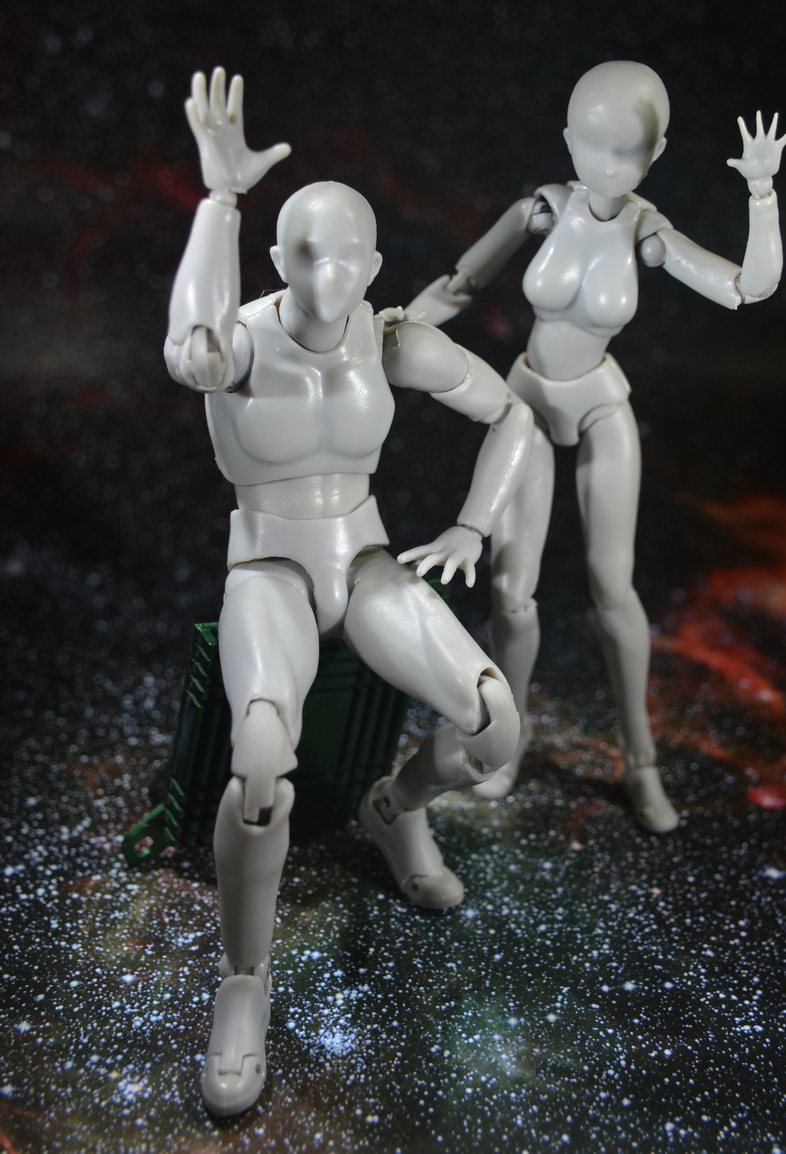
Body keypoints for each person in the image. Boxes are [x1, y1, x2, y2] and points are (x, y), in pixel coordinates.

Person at [164, 68, 531, 1116]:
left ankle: (392, 806)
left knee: (495, 722)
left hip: (364, 561)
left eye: (346, 256)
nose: (327, 275)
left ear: (372, 265)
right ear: (278, 258)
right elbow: (189, 349)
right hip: (269, 565)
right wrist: (219, 199)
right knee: (259, 763)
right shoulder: (240, 339)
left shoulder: (391, 336)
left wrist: (470, 525)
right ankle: (244, 979)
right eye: (305, 253)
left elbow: (509, 414)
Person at [408, 61, 786, 833]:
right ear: (566, 138)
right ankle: (505, 741)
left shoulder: (648, 232)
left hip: (600, 408)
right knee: (512, 592)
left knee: (613, 591)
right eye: (591, 144)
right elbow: (457, 284)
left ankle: (640, 761)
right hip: (524, 403)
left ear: (656, 154)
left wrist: (762, 194)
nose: (607, 166)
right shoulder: (542, 210)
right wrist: (394, 328)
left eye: (628, 151)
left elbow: (747, 288)